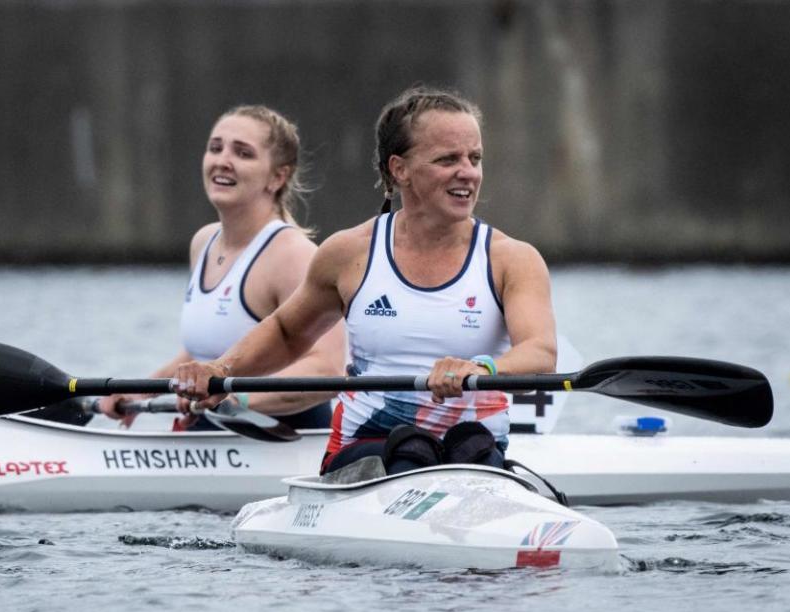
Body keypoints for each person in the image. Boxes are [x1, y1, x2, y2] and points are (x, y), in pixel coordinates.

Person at [174, 86, 556, 473]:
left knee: (470, 446)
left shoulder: (512, 259)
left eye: (474, 158)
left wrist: (484, 369)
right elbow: (288, 332)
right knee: (411, 450)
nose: (468, 173)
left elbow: (540, 355)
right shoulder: (349, 254)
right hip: (365, 450)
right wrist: (220, 370)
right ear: (399, 169)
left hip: (471, 454)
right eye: (448, 159)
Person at [100, 105, 346, 429]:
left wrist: (237, 399)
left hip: (283, 436)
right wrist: (140, 390)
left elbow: (328, 369)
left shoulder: (293, 255)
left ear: (277, 176)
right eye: (215, 148)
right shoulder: (203, 242)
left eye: (243, 153)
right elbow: (201, 354)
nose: (222, 161)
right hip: (213, 427)